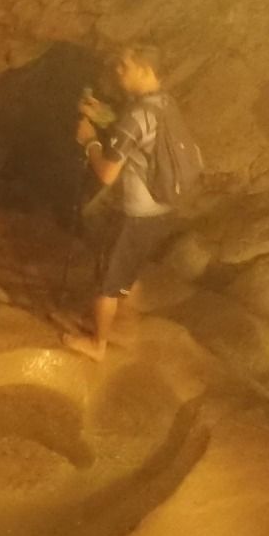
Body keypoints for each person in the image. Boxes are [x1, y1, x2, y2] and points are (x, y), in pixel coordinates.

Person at [63, 44, 178, 360]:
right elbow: (139, 133)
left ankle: (97, 345)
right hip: (160, 210)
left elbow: (107, 173)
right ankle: (122, 327)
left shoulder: (138, 113)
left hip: (136, 213)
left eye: (124, 66)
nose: (118, 72)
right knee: (128, 270)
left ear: (144, 69)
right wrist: (101, 115)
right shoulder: (163, 103)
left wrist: (89, 141)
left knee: (108, 280)